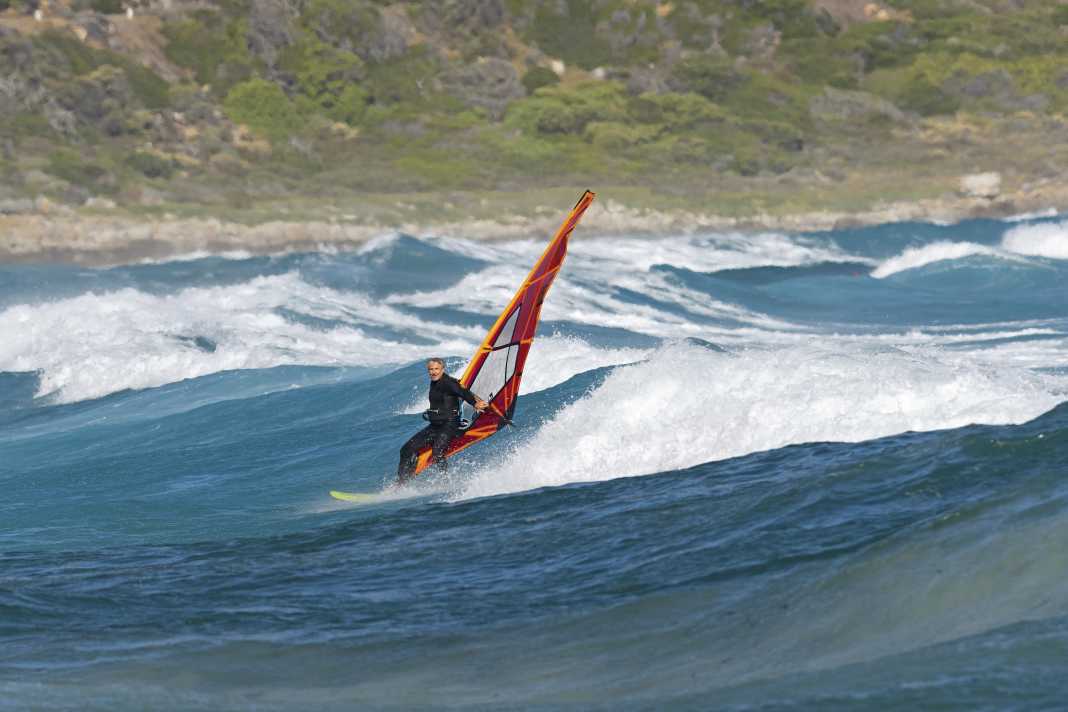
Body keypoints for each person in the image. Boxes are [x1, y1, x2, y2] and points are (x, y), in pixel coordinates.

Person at [397, 358, 488, 483]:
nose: (433, 372)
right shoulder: (435, 382)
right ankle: (402, 482)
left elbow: (462, 392)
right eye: (431, 369)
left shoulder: (448, 382)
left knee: (437, 453)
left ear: (442, 369)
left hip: (449, 425)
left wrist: (475, 404)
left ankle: (446, 480)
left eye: (436, 369)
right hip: (435, 426)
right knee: (406, 449)